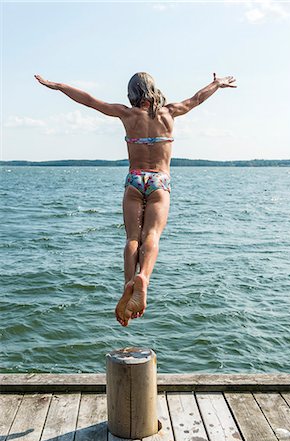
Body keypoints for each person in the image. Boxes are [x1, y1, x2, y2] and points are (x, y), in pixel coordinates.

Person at [34, 71, 237, 326]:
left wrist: (58, 85)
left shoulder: (127, 114)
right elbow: (197, 99)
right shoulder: (170, 112)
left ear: (132, 93)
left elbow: (89, 100)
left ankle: (129, 285)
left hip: (134, 180)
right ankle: (144, 280)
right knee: (151, 236)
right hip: (159, 182)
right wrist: (217, 83)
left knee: (132, 238)